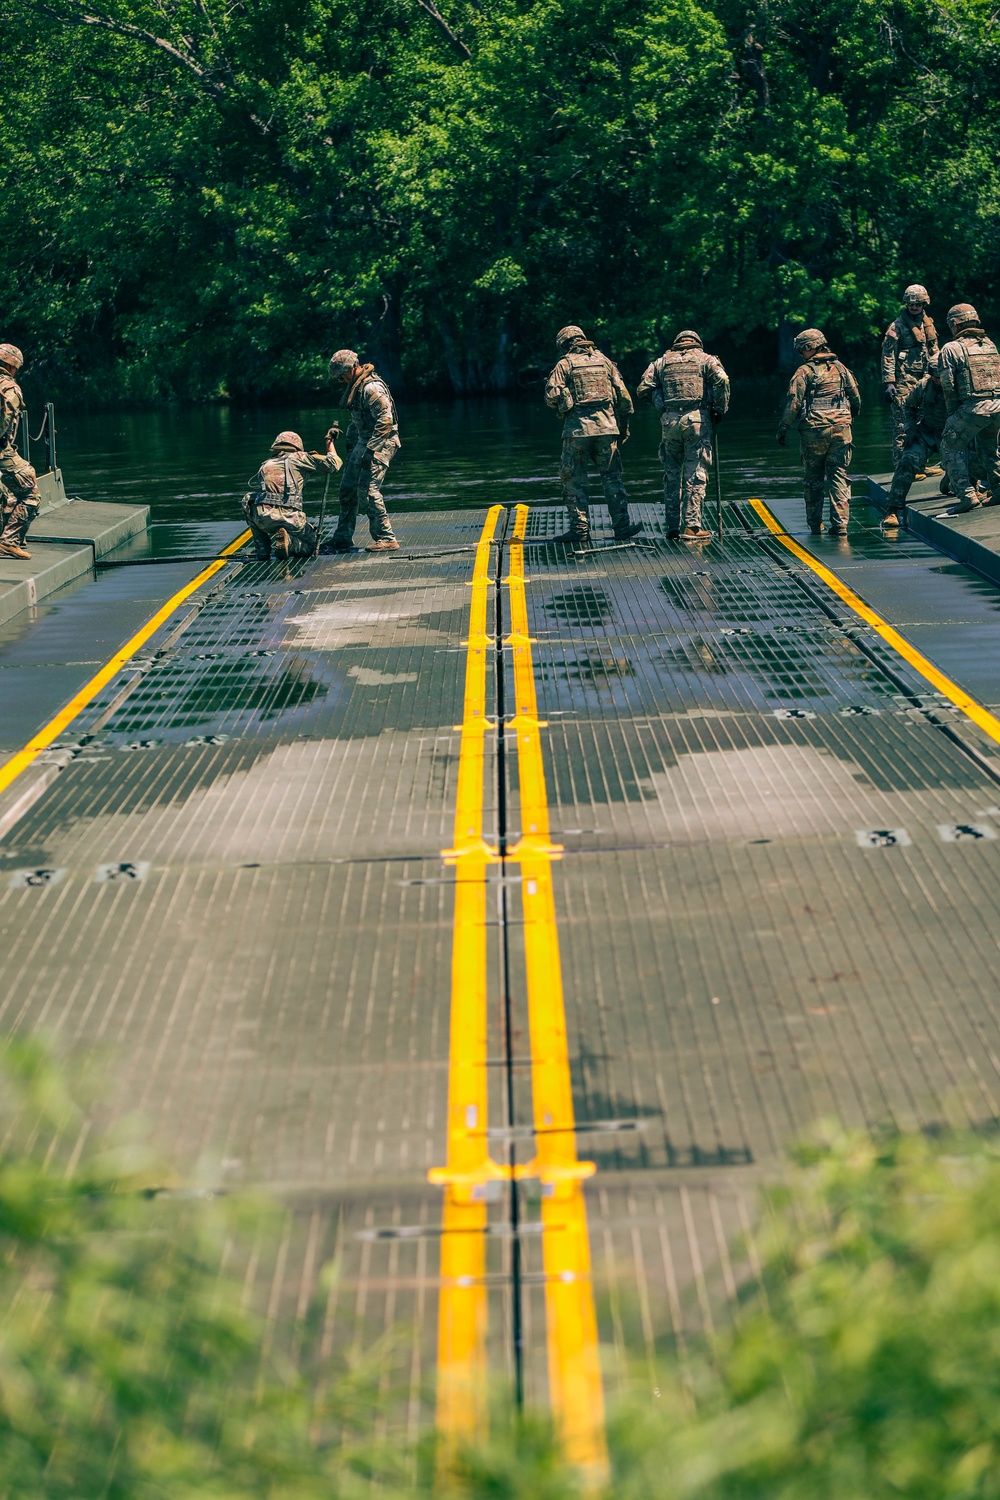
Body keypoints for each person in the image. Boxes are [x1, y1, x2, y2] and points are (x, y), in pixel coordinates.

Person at [543, 325, 640, 545]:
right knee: (612, 478)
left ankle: (580, 530)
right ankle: (622, 528)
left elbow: (551, 395)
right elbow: (624, 398)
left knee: (574, 479)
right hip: (607, 429)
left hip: (577, 431)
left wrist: (564, 403)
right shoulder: (605, 361)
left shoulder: (565, 364)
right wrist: (623, 426)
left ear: (563, 344)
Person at [636, 329, 729, 542]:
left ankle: (672, 526)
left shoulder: (661, 362)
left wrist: (662, 404)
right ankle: (692, 526)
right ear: (698, 343)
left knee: (671, 474)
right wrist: (719, 409)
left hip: (669, 422)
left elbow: (643, 389)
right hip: (697, 420)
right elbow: (722, 380)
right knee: (695, 473)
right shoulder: (706, 359)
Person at [776, 328, 861, 536]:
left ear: (808, 348)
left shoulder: (804, 372)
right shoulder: (841, 368)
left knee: (813, 479)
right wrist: (849, 416)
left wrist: (783, 428)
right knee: (838, 475)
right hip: (841, 430)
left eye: (801, 351)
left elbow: (794, 403)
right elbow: (856, 398)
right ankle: (840, 524)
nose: (800, 356)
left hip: (814, 432)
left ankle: (815, 525)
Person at [325, 350, 401, 553]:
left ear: (352, 368)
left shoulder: (371, 388)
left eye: (342, 375)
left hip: (382, 442)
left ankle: (386, 538)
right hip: (364, 440)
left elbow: (386, 421)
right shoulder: (356, 388)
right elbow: (357, 420)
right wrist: (351, 446)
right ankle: (342, 537)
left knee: (368, 490)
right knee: (347, 489)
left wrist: (371, 451)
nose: (341, 380)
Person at [938, 302, 1000, 513]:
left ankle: (966, 495)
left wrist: (952, 413)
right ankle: (999, 490)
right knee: (989, 448)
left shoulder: (951, 348)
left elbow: (948, 385)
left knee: (948, 444)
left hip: (974, 407)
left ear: (955, 325)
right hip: (997, 406)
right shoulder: (989, 344)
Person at [242, 429, 342, 560]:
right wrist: (329, 442)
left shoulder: (265, 465)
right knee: (312, 545)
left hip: (264, 519)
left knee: (249, 500)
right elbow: (335, 463)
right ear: (297, 446)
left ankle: (262, 549)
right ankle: (290, 543)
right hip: (291, 519)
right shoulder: (300, 457)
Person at [883, 356, 949, 526]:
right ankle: (892, 510)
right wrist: (910, 428)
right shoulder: (924, 385)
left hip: (951, 435)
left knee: (973, 462)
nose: (938, 380)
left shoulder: (958, 385)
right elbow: (908, 406)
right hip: (927, 433)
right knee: (907, 462)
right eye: (935, 376)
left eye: (940, 376)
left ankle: (954, 481)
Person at [881, 285, 939, 468]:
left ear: (924, 304)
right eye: (911, 304)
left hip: (926, 379)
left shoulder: (928, 324)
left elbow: (935, 351)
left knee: (924, 422)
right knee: (903, 424)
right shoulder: (897, 326)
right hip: (904, 380)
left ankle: (919, 463)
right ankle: (902, 466)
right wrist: (889, 382)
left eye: (918, 304)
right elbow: (888, 355)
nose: (914, 308)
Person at [0, 344, 41, 561]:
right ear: (11, 366)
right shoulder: (9, 387)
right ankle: (9, 542)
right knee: (31, 491)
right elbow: (4, 421)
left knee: (7, 489)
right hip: (1, 452)